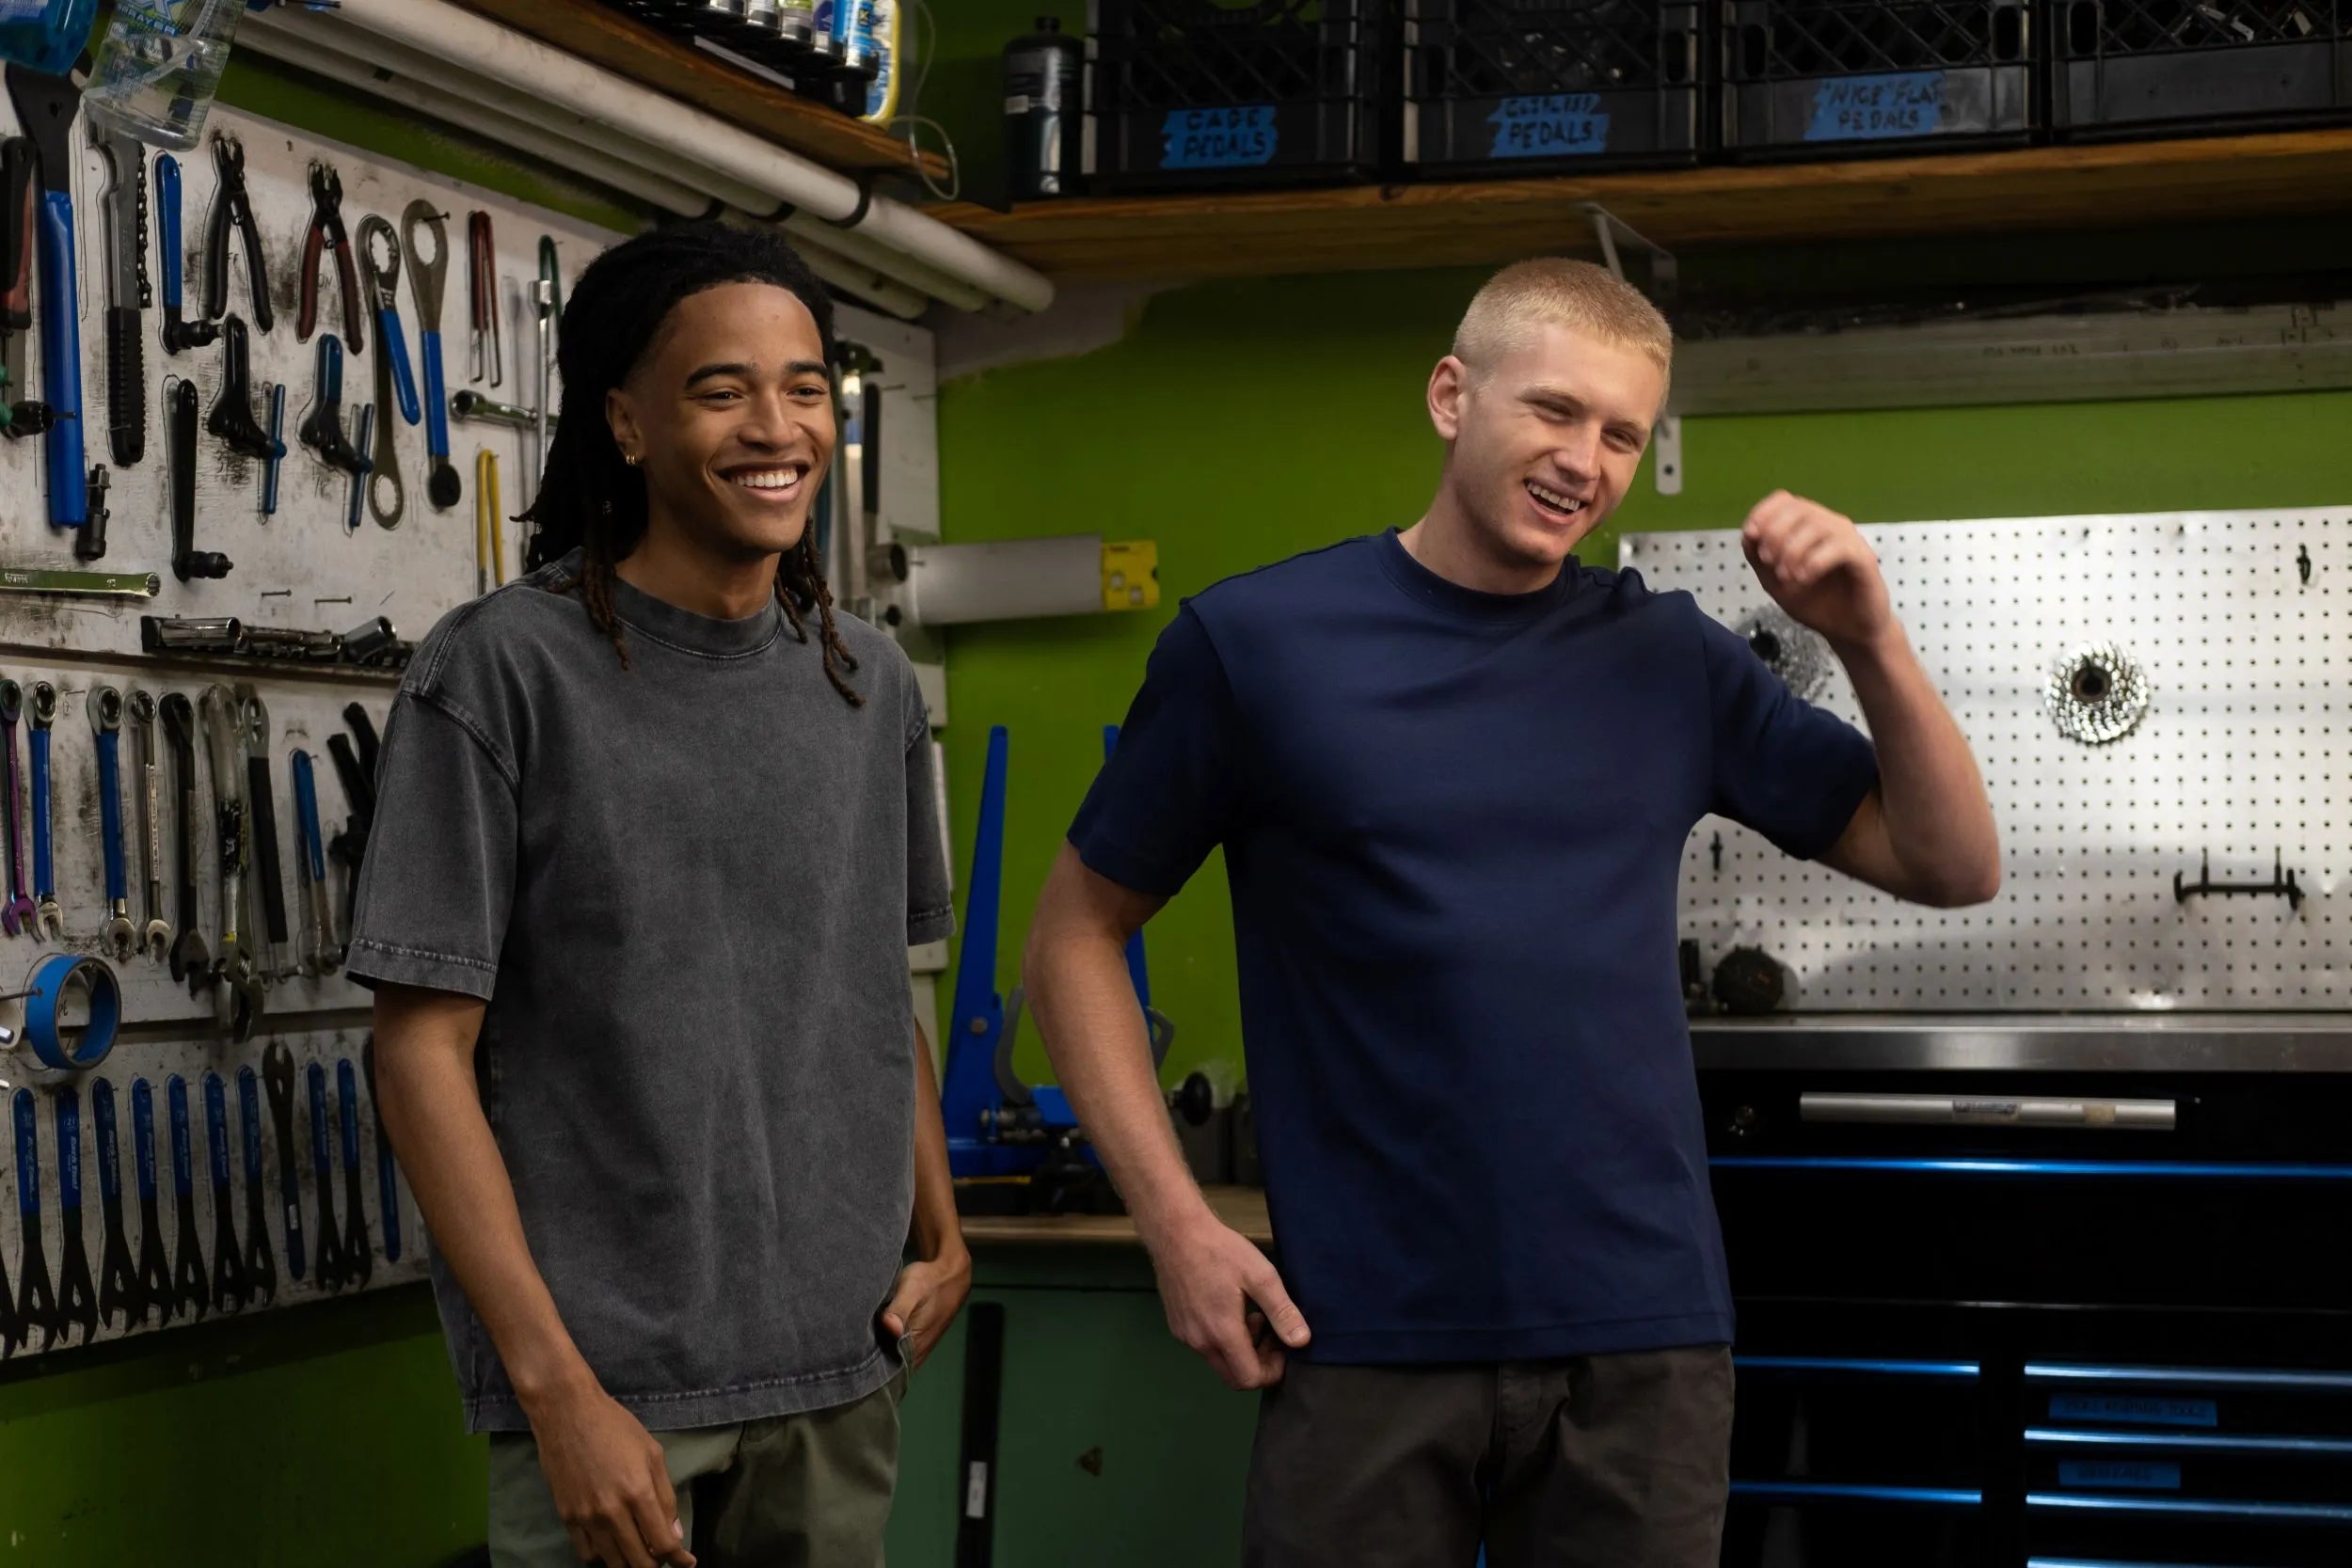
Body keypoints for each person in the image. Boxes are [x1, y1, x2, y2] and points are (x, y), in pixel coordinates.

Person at [1021, 257, 2000, 1566]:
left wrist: (1870, 638)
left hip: (1643, 1340)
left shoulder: (1670, 657)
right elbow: (1072, 937)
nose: (1583, 461)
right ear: (1451, 396)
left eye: (1621, 435)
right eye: (1553, 409)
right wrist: (1175, 1225)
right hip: (1363, 1332)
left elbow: (1951, 864)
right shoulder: (1255, 647)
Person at [349, 221, 967, 1568]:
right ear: (625, 423)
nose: (777, 428)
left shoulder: (868, 684)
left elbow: (874, 990)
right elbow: (417, 1057)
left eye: (804, 387)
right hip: (610, 1389)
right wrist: (556, 1393)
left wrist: (946, 1230)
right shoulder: (503, 671)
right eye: (721, 390)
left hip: (840, 1365)